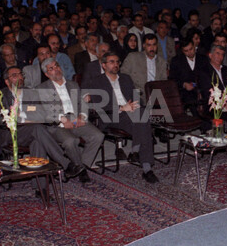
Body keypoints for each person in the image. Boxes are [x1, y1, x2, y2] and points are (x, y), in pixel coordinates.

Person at [83, 52, 160, 184]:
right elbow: (101, 106)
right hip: (111, 116)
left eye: (117, 62)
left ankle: (144, 166)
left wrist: (137, 106)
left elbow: (136, 98)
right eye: (111, 62)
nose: (115, 65)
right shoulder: (96, 81)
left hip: (131, 113)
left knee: (142, 117)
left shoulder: (125, 78)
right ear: (104, 65)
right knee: (143, 123)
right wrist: (122, 108)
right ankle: (138, 155)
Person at [35, 58, 103, 181]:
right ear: (46, 74)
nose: (56, 70)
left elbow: (82, 103)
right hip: (58, 125)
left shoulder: (73, 84)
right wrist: (62, 119)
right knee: (70, 141)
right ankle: (81, 170)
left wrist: (82, 116)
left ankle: (82, 165)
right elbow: (44, 111)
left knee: (98, 136)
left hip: (76, 119)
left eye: (56, 66)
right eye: (51, 69)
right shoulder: (42, 88)